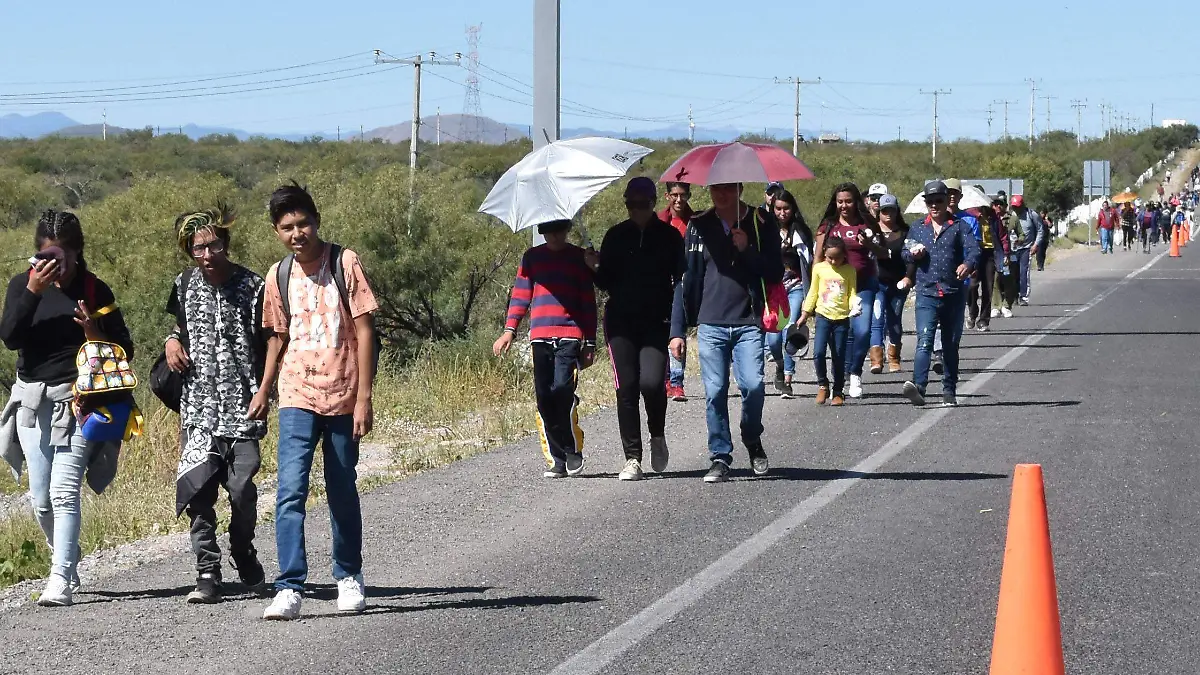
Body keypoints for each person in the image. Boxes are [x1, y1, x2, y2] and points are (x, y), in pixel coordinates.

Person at [255, 183, 379, 621]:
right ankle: (290, 586)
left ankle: (348, 575)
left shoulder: (344, 263)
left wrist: (364, 397)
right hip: (296, 394)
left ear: (316, 221)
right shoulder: (278, 275)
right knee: (290, 491)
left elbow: (365, 329)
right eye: (287, 227)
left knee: (342, 487)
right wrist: (264, 388)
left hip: (344, 394)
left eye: (303, 223)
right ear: (277, 231)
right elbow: (278, 336)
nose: (297, 233)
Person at [0, 210, 134, 607]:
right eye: (45, 257)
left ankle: (60, 579)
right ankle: (67, 555)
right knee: (41, 499)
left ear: (77, 253)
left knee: (63, 491)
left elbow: (124, 350)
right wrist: (32, 292)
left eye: (62, 257)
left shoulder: (94, 290)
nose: (54, 266)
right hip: (32, 401)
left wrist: (93, 331)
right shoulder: (21, 285)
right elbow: (10, 337)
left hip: (80, 401)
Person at [165, 205, 268, 604]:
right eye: (198, 248)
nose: (207, 255)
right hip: (199, 409)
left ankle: (242, 548)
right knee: (199, 492)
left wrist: (264, 391)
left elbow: (273, 340)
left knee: (241, 490)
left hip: (243, 407)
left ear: (226, 244)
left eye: (214, 246)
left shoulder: (253, 286)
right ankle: (207, 571)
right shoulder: (183, 284)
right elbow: (177, 326)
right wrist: (171, 342)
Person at [669, 182, 783, 484]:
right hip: (710, 322)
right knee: (715, 392)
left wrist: (747, 250)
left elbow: (775, 271)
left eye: (728, 188)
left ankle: (751, 436)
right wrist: (677, 330)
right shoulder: (698, 225)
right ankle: (720, 456)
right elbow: (685, 279)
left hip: (749, 321)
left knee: (754, 385)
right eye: (715, 188)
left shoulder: (760, 221)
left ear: (740, 188)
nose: (721, 194)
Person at [587, 177, 684, 481]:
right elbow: (606, 282)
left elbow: (680, 281)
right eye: (630, 204)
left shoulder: (669, 237)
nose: (636, 210)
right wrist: (594, 267)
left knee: (652, 383)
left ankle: (657, 433)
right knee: (626, 387)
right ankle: (632, 458)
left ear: (654, 203)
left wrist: (678, 326)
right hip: (621, 322)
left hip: (656, 321)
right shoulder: (616, 235)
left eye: (642, 204)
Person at [495, 218, 596, 479]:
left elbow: (587, 301)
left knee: (562, 390)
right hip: (540, 337)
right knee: (544, 397)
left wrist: (590, 342)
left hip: (570, 336)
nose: (554, 236)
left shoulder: (578, 257)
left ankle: (572, 450)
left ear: (567, 230)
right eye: (548, 231)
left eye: (559, 230)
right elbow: (521, 295)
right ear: (542, 232)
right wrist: (509, 330)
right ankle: (558, 459)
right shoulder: (532, 258)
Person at [901, 181, 979, 407]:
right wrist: (913, 254)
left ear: (947, 201)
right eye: (930, 202)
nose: (934, 205)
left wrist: (967, 264)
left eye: (939, 201)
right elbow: (905, 252)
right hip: (926, 293)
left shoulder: (959, 226)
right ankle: (919, 387)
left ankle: (949, 390)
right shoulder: (918, 228)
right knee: (924, 341)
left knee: (950, 344)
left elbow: (974, 250)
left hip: (953, 293)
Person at [814, 183, 888, 398]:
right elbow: (818, 258)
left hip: (863, 286)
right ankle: (839, 378)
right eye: (840, 202)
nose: (844, 206)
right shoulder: (828, 226)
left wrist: (869, 244)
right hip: (834, 290)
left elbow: (884, 253)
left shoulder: (867, 224)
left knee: (862, 331)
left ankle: (855, 372)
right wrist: (814, 291)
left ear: (856, 202)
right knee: (838, 338)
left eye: (848, 201)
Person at [796, 236, 858, 406]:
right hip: (823, 316)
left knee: (838, 355)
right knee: (818, 353)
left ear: (844, 255)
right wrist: (805, 314)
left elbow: (852, 293)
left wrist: (855, 306)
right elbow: (813, 292)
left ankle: (838, 390)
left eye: (837, 257)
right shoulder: (819, 268)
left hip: (841, 319)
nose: (834, 261)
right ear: (824, 253)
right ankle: (823, 384)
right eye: (830, 257)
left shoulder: (849, 271)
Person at [765, 189, 813, 398]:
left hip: (795, 287)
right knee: (773, 338)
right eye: (778, 209)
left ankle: (787, 379)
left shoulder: (801, 232)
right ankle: (779, 364)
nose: (782, 213)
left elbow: (809, 261)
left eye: (786, 208)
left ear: (793, 209)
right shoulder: (766, 231)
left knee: (789, 329)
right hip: (773, 289)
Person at [659, 181, 693, 402]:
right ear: (667, 196)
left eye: (683, 195)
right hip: (662, 283)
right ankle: (665, 379)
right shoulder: (659, 222)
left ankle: (677, 382)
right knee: (662, 331)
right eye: (674, 195)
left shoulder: (695, 222)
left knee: (678, 330)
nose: (679, 200)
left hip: (684, 282)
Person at [873, 195, 909, 372]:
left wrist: (909, 277)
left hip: (898, 284)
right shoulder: (871, 232)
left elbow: (910, 258)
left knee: (894, 320)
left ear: (897, 211)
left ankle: (894, 357)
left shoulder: (905, 232)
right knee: (877, 319)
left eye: (891, 210)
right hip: (876, 283)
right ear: (879, 212)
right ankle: (876, 359)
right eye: (884, 210)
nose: (888, 214)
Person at [1004, 195, 1045, 306]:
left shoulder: (1032, 215)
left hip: (1027, 248)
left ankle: (1023, 296)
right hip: (1013, 250)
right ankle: (1014, 295)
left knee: (1024, 272)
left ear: (1022, 205)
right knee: (1013, 273)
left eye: (1017, 206)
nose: (1016, 209)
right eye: (1014, 207)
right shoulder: (1010, 216)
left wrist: (1036, 245)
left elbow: (1040, 230)